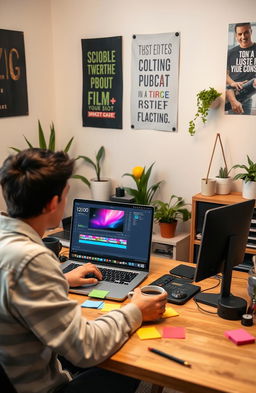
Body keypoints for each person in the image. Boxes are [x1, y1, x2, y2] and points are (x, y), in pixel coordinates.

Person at [0, 148, 167, 393]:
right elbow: (86, 349)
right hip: (39, 387)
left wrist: (61, 280)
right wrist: (136, 310)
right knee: (130, 357)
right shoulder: (32, 260)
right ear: (53, 202)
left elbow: (14, 291)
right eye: (66, 195)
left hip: (16, 367)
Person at [226, 22, 256, 114]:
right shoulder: (231, 52)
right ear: (236, 35)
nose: (243, 37)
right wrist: (233, 83)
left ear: (251, 31)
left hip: (248, 95)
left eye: (246, 32)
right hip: (231, 94)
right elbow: (225, 74)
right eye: (240, 34)